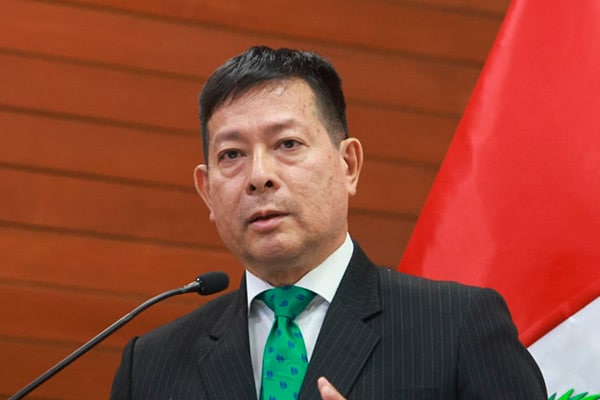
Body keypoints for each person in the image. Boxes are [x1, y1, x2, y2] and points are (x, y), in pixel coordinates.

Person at [110, 46, 547, 400]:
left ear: (348, 165)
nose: (259, 175)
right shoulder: (150, 365)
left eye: (287, 144)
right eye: (232, 154)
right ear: (206, 190)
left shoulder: (457, 326)